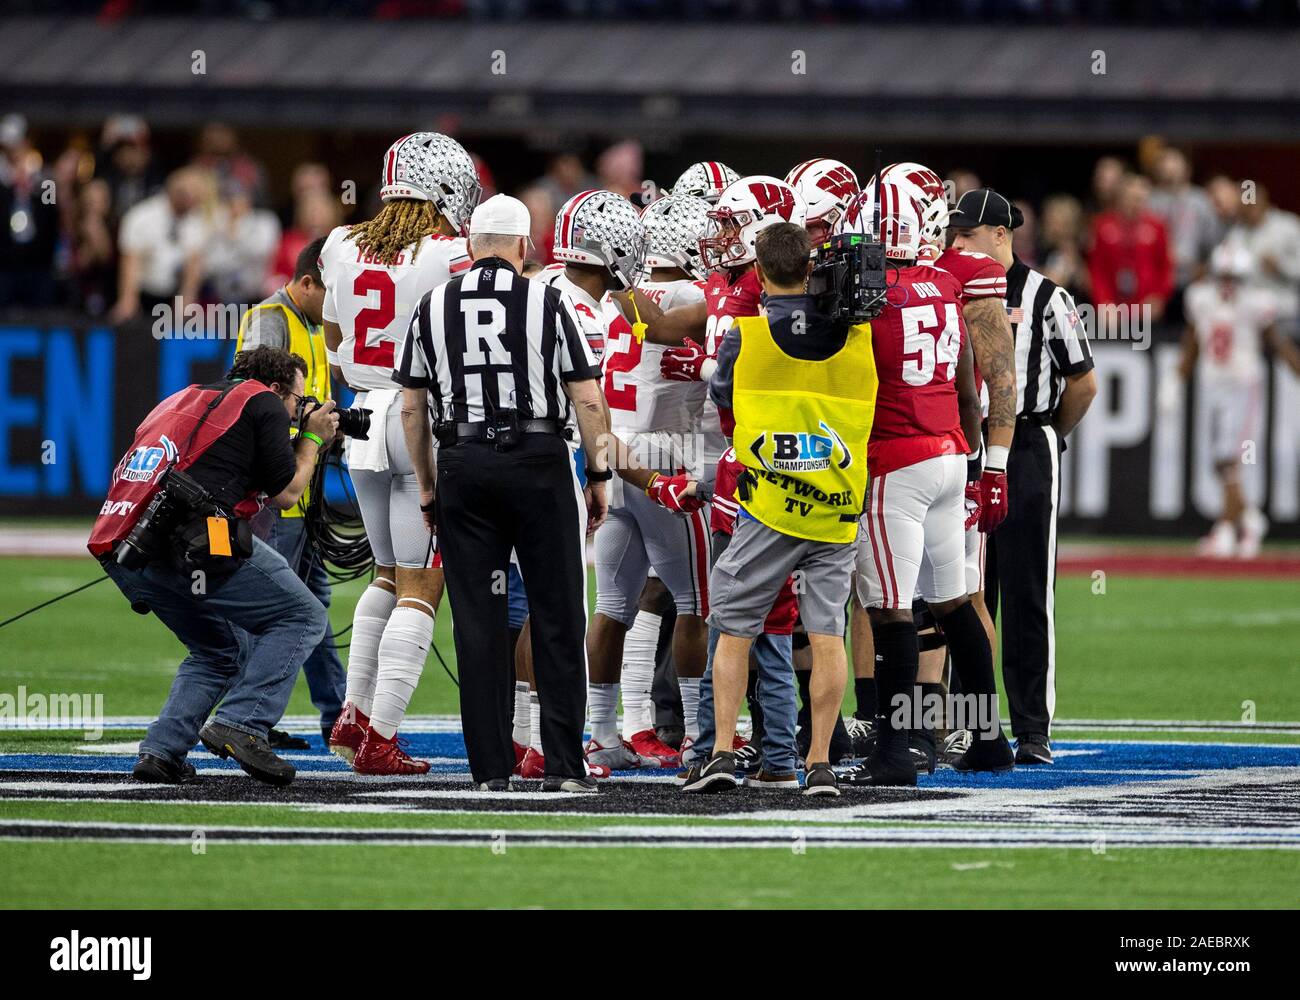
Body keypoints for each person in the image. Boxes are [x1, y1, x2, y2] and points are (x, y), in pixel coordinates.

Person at [395, 193, 612, 794]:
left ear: (470, 246)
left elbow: (411, 408)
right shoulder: (548, 299)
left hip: (464, 463)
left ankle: (490, 769)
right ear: (524, 247)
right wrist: (597, 477)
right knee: (558, 616)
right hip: (540, 463)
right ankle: (566, 766)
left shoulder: (432, 305)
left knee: (477, 621)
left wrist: (429, 482)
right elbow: (588, 399)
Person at [682, 221, 874, 798]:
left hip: (770, 503)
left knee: (734, 628)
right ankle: (817, 762)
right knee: (826, 635)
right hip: (838, 502)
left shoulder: (745, 335)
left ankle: (719, 751)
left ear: (759, 272)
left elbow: (722, 398)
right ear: (812, 270)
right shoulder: (857, 334)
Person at [89, 347, 338, 786]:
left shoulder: (183, 397)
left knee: (217, 652)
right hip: (190, 540)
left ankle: (163, 751)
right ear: (276, 388)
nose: (300, 412)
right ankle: (243, 723)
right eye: (298, 402)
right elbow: (285, 493)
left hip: (124, 546)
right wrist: (314, 438)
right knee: (302, 615)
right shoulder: (262, 400)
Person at [838, 182, 1014, 789]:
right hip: (949, 453)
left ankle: (893, 752)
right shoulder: (944, 285)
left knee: (889, 611)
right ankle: (989, 739)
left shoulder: (870, 296)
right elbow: (970, 391)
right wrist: (972, 461)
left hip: (897, 461)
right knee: (954, 603)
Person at [320, 132, 481, 775]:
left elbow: (333, 336)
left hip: (361, 412)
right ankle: (380, 734)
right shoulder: (452, 253)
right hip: (421, 417)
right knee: (423, 580)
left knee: (385, 572)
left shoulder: (338, 244)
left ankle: (354, 714)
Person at [950, 186, 1098, 765]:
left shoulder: (1044, 296)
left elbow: (1082, 381)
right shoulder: (949, 286)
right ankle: (970, 724)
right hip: (967, 440)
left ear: (1001, 236)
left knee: (1029, 591)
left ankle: (1033, 729)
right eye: (952, 235)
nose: (956, 244)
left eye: (967, 235)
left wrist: (1047, 438)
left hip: (1029, 438)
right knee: (966, 591)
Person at [233, 237, 344, 747]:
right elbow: (251, 400)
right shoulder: (271, 319)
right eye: (329, 291)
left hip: (302, 496)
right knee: (277, 610)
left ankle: (333, 715)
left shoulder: (310, 325)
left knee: (312, 607)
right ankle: (247, 718)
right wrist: (312, 423)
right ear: (305, 283)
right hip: (277, 497)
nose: (336, 302)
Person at [1162, 244, 1300, 557]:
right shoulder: (1201, 299)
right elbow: (1192, 343)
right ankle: (1250, 519)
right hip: (1214, 387)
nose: (1228, 284)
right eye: (1224, 276)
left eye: (1234, 277)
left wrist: (1296, 371)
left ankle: (1226, 527)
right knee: (1221, 461)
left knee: (1227, 457)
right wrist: (1174, 380)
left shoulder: (1255, 304)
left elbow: (1277, 342)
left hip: (1243, 385)